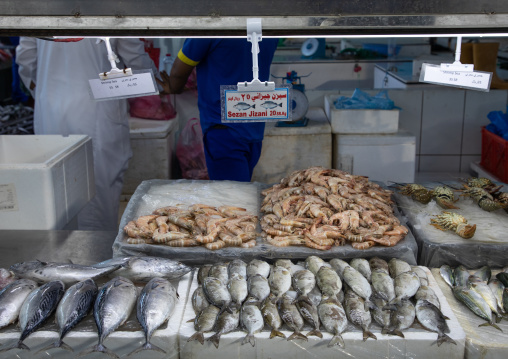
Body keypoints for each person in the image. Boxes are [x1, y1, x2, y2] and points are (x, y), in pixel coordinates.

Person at [16, 38, 160, 231]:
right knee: (99, 191)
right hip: (99, 110)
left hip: (51, 109)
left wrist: (45, 89)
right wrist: (158, 80)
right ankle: (96, 256)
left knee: (56, 192)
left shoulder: (34, 8)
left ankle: (61, 257)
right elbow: (134, 56)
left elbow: (26, 60)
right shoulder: (112, 7)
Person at [158, 38, 278, 181]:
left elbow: (179, 71)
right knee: (241, 189)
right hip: (254, 128)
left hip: (223, 130)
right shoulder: (268, 26)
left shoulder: (212, 27)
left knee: (231, 197)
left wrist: (173, 87)